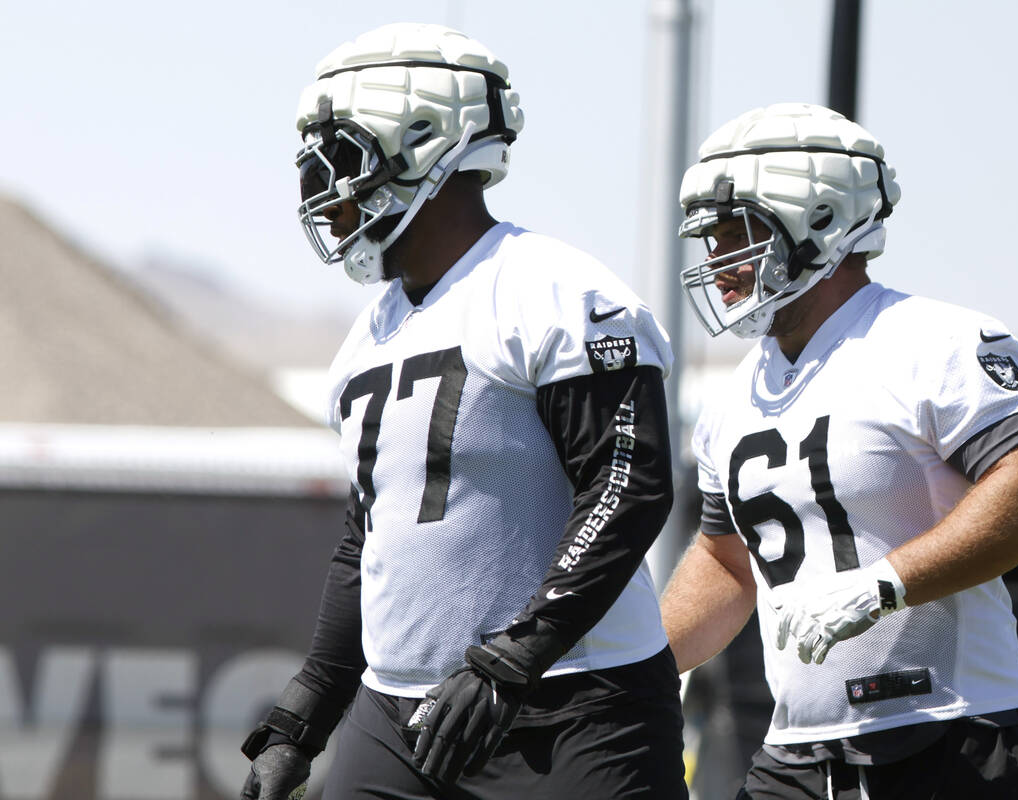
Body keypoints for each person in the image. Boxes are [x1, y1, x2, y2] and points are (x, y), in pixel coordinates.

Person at [239, 22, 687, 800]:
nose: (322, 185)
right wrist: (304, 715)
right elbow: (369, 544)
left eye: (341, 156)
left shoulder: (551, 290)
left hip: (573, 703)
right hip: (398, 711)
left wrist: (514, 658)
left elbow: (627, 486)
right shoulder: (369, 336)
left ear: (424, 145)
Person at [659, 103, 1018, 799]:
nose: (717, 261)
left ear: (818, 222)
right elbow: (727, 564)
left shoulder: (933, 340)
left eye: (737, 233)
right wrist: (633, 667)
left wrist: (885, 583)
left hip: (950, 735)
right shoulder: (731, 396)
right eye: (710, 238)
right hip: (795, 753)